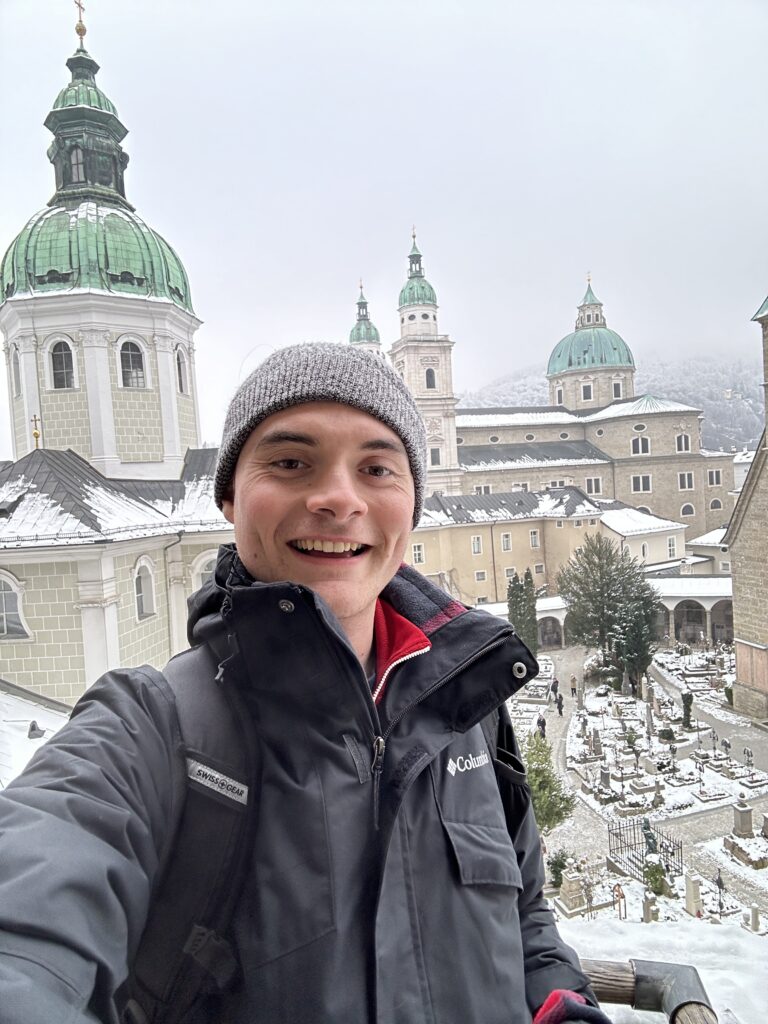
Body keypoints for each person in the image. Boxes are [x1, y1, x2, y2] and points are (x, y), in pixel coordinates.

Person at [0, 343, 612, 1024]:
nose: (338, 498)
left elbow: (524, 916)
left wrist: (561, 1004)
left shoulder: (466, 708)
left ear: (412, 503)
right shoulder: (149, 731)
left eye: (377, 467)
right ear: (229, 496)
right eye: (291, 462)